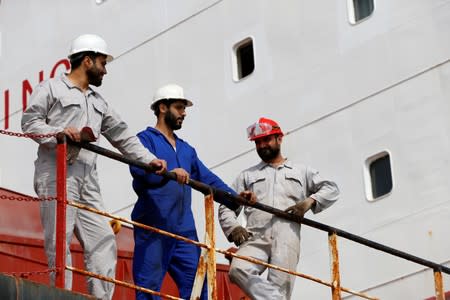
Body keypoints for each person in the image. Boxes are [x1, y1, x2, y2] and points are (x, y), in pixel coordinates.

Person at [21, 34, 167, 300]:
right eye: (102, 62)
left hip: (88, 179)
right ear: (87, 60)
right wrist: (59, 133)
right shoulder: (51, 88)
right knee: (59, 240)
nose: (105, 70)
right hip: (56, 173)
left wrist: (149, 160)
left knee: (103, 239)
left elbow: (122, 135)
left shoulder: (99, 102)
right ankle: (60, 295)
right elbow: (30, 123)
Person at [129, 83, 240, 300]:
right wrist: (169, 172)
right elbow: (139, 170)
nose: (184, 113)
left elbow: (207, 179)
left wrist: (235, 198)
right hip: (154, 226)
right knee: (148, 288)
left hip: (185, 231)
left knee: (199, 287)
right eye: (179, 108)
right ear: (163, 108)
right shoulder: (144, 140)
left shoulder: (186, 150)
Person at [218, 117, 339, 300]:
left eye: (266, 140)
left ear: (279, 139)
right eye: (258, 142)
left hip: (287, 238)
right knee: (238, 269)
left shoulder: (301, 171)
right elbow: (226, 205)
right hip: (255, 236)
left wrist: (310, 201)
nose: (262, 145)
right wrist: (233, 227)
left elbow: (332, 189)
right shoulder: (247, 176)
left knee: (281, 288)